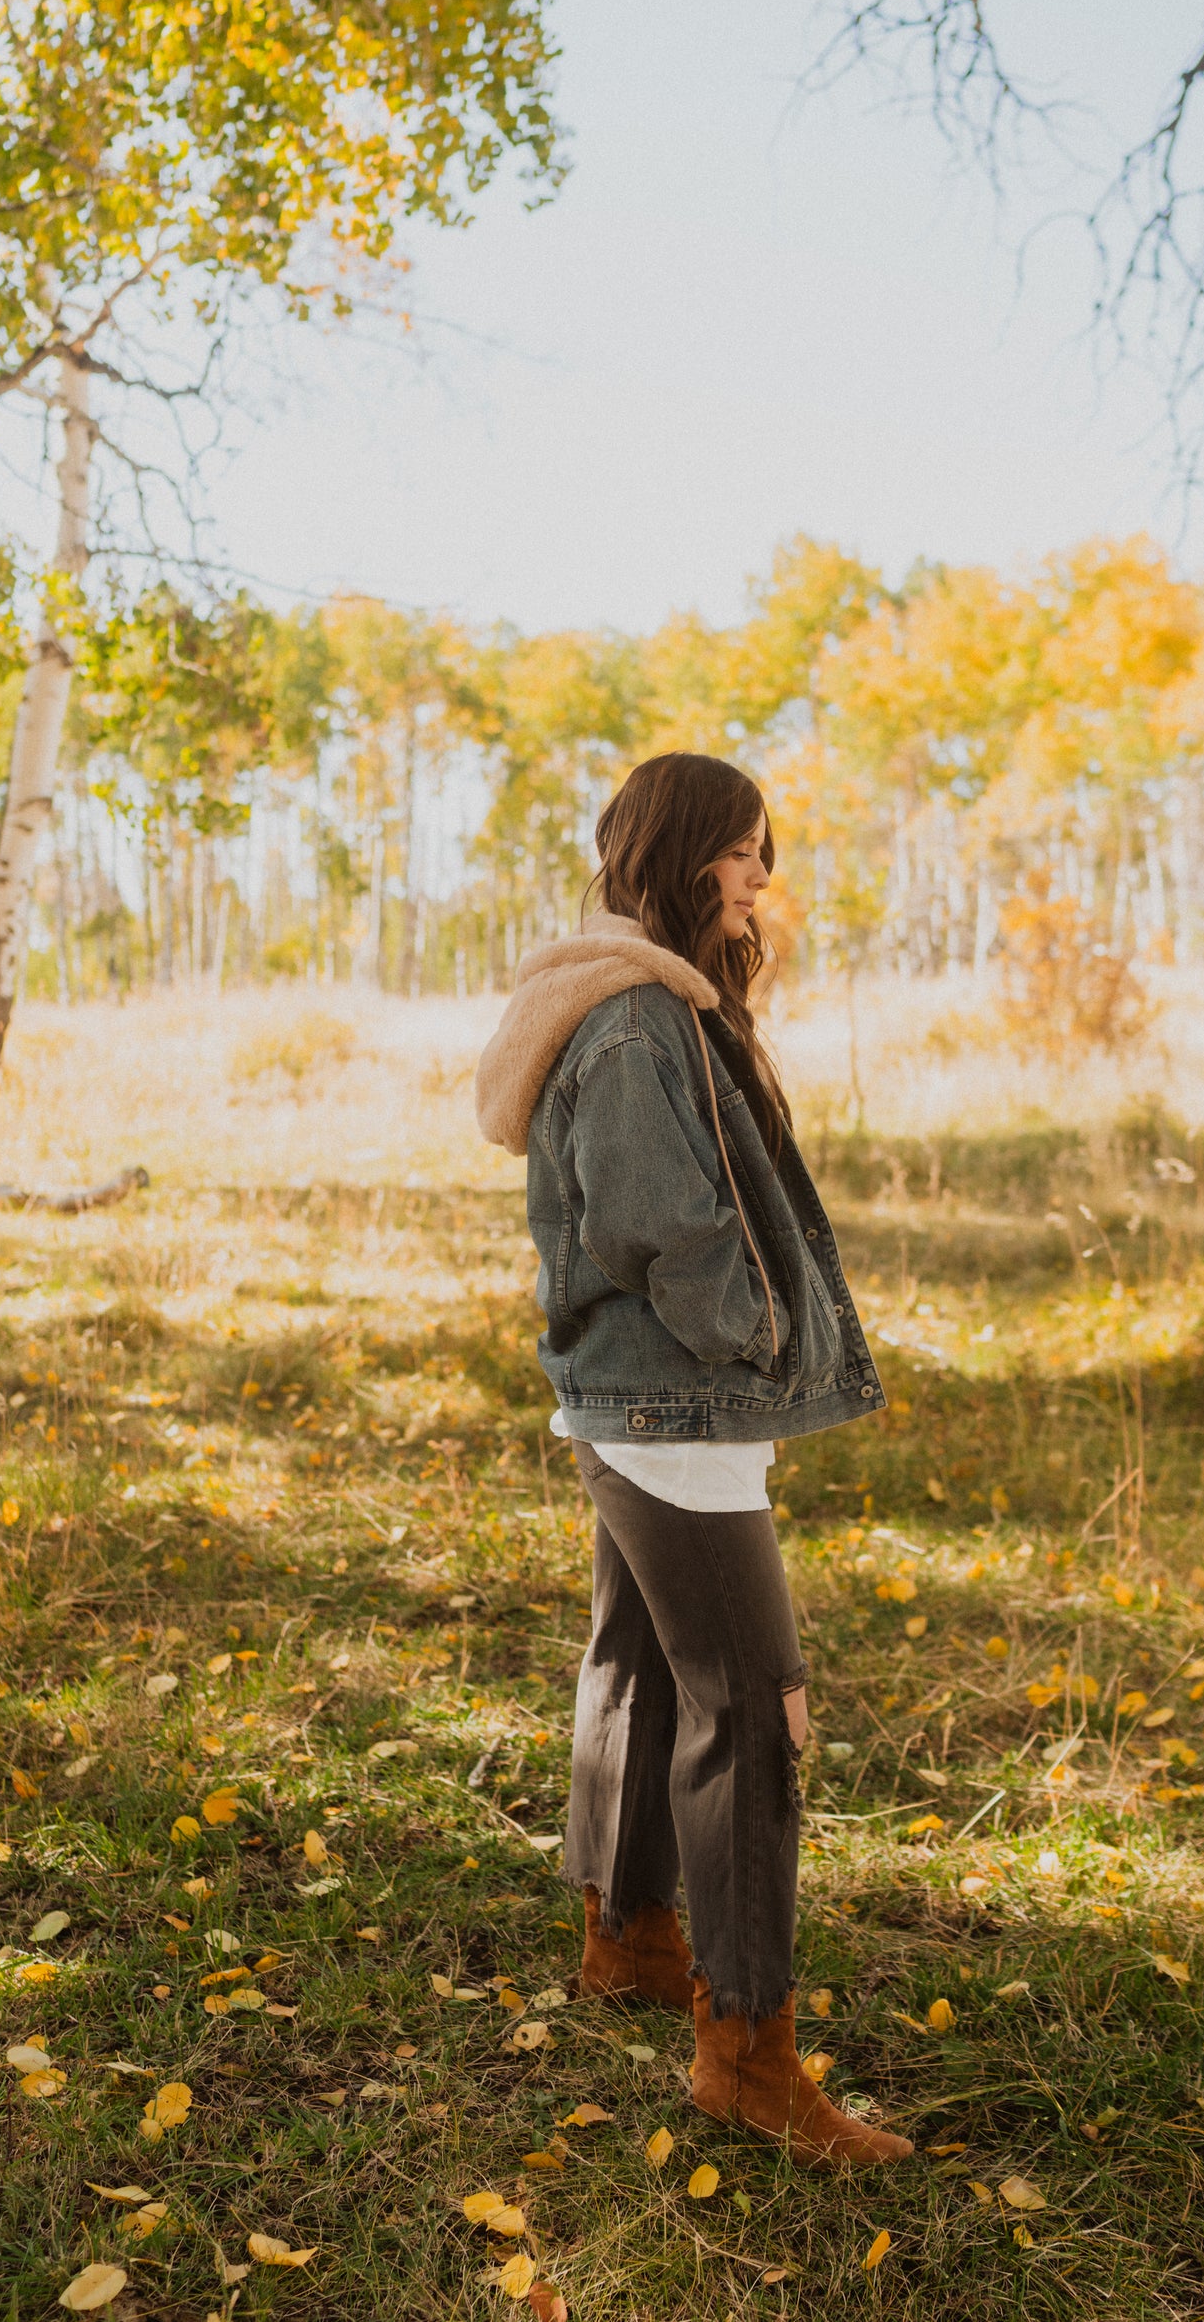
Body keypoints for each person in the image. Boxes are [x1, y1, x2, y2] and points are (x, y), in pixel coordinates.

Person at [475, 751, 912, 2171]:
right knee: (757, 1715)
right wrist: (760, 1325)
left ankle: (631, 1936)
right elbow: (661, 1226)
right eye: (747, 853)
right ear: (689, 855)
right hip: (673, 1409)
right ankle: (748, 2052)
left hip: (638, 1406)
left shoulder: (639, 1005)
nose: (762, 881)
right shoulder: (633, 1025)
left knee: (643, 1667)